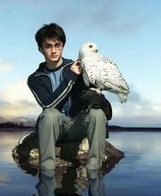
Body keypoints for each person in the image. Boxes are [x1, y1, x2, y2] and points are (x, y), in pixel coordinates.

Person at [27, 23, 111, 170]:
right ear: (40, 49)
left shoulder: (79, 67)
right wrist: (71, 77)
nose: (54, 51)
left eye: (57, 45)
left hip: (76, 125)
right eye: (48, 46)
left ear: (63, 46)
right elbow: (48, 105)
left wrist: (100, 101)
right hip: (54, 128)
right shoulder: (35, 78)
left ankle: (95, 170)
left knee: (96, 113)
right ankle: (47, 171)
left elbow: (92, 95)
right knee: (50, 114)